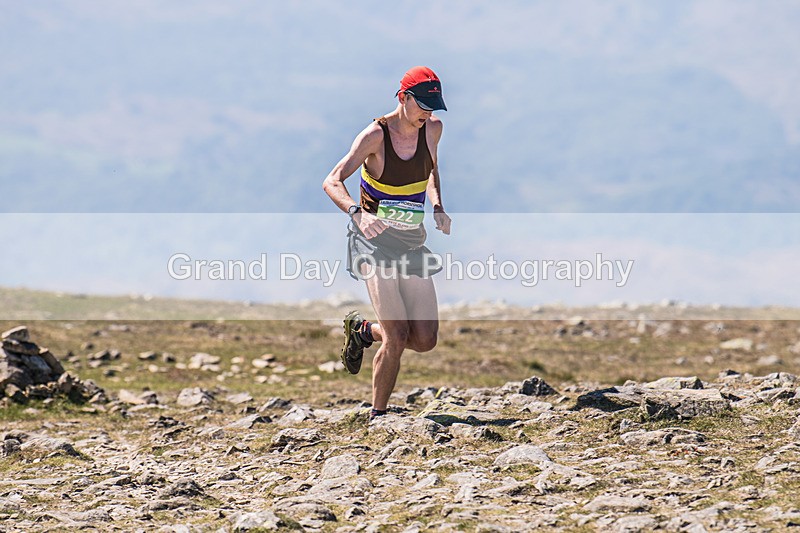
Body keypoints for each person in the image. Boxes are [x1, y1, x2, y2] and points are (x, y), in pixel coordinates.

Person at [322, 66, 452, 420]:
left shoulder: (433, 130)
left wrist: (438, 206)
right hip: (374, 246)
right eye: (422, 105)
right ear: (403, 98)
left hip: (411, 244)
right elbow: (332, 181)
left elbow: (431, 171)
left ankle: (364, 331)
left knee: (424, 339)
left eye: (433, 106)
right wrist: (357, 214)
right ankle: (378, 416)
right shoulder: (375, 136)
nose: (428, 113)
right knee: (396, 336)